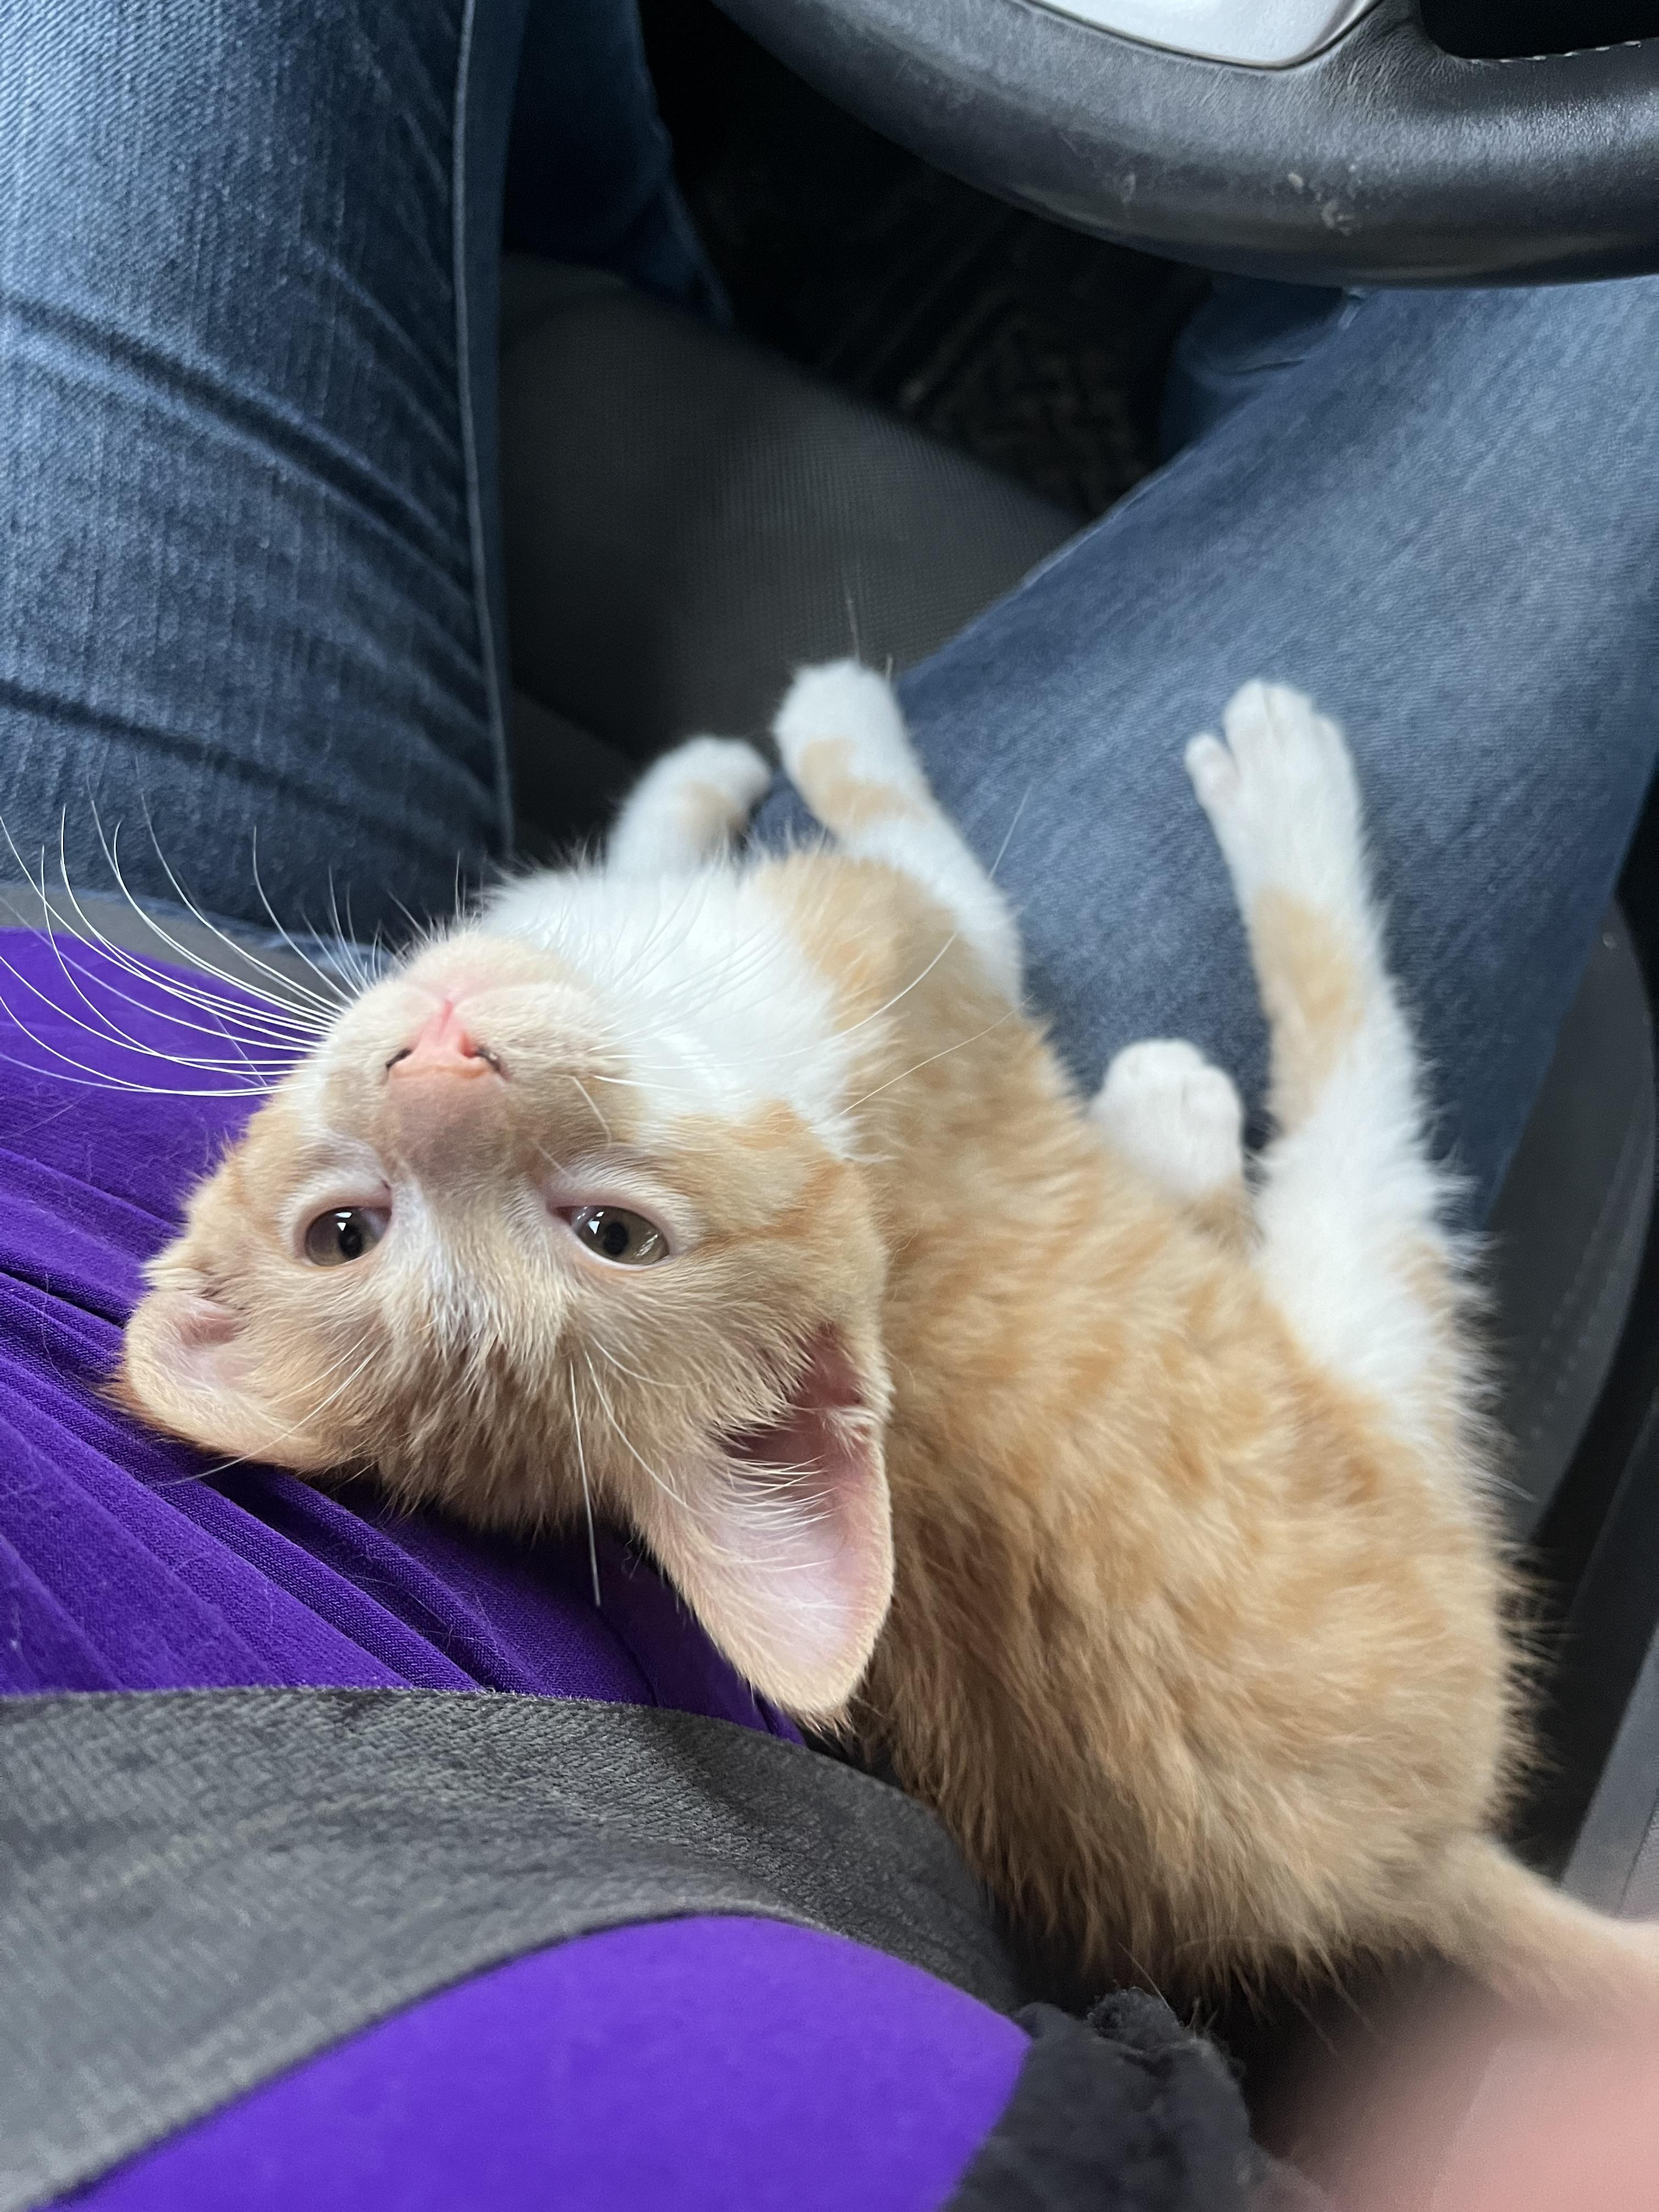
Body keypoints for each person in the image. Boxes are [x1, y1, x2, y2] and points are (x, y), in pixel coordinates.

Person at [2, 2, 1657, 2207]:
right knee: (1602, 282)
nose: (447, 1083)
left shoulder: (320, 1269)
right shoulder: (733, 1367)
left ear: (208, 1307)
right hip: (551, 1770)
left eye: (344, 1227)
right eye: (601, 1231)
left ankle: (606, 267)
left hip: (71, 982)